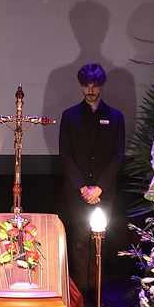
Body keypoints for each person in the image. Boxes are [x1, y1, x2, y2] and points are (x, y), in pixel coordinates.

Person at [59, 63, 125, 294]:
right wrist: (82, 187)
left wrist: (98, 188)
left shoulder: (115, 117)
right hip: (77, 191)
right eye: (86, 85)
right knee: (79, 241)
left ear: (101, 86)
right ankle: (81, 289)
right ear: (81, 86)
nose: (90, 90)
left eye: (95, 85)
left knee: (99, 241)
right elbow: (66, 155)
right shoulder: (70, 116)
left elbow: (118, 156)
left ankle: (96, 289)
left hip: (103, 192)